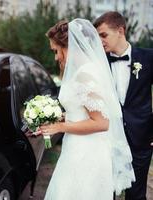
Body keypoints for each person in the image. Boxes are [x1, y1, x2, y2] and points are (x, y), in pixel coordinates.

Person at [34, 19, 135, 200]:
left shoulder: (85, 74)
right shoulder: (80, 71)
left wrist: (60, 127)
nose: (56, 57)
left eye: (56, 51)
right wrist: (57, 118)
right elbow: (80, 111)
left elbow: (102, 123)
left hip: (88, 153)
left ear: (68, 46)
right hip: (76, 146)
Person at [94, 11, 153, 200]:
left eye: (103, 35)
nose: (100, 41)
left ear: (120, 30)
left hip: (141, 138)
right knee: (104, 193)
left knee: (136, 195)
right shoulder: (98, 63)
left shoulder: (148, 58)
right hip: (107, 139)